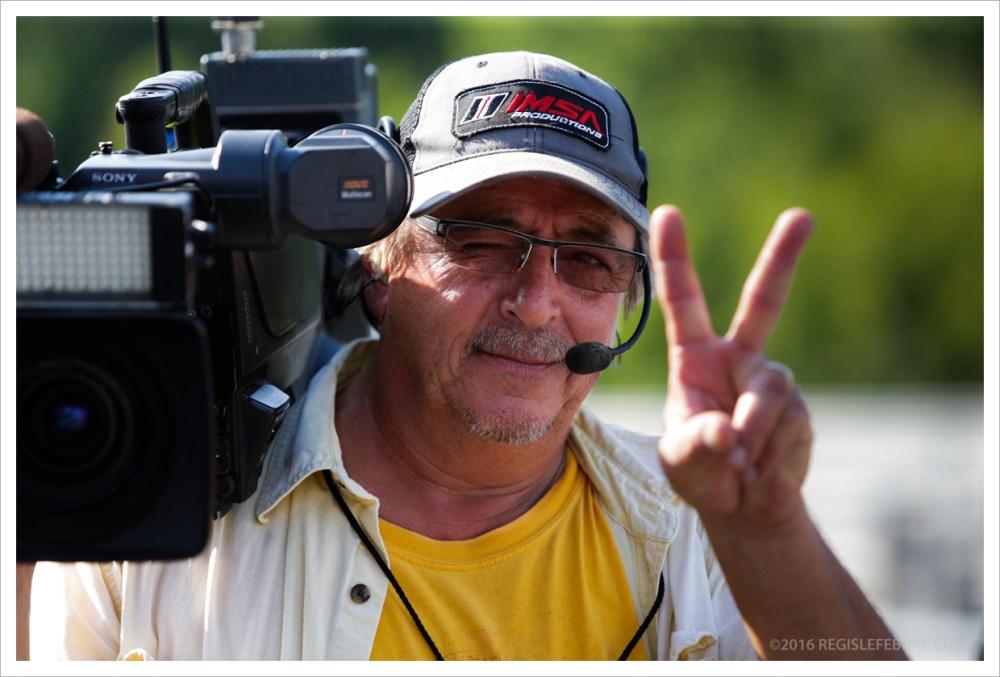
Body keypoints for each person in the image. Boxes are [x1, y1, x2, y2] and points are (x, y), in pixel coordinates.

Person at [17, 50, 906, 661]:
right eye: (481, 240)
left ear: (630, 297)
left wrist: (767, 531)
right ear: (378, 262)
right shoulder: (149, 519)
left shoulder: (703, 528)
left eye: (590, 256)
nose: (535, 300)